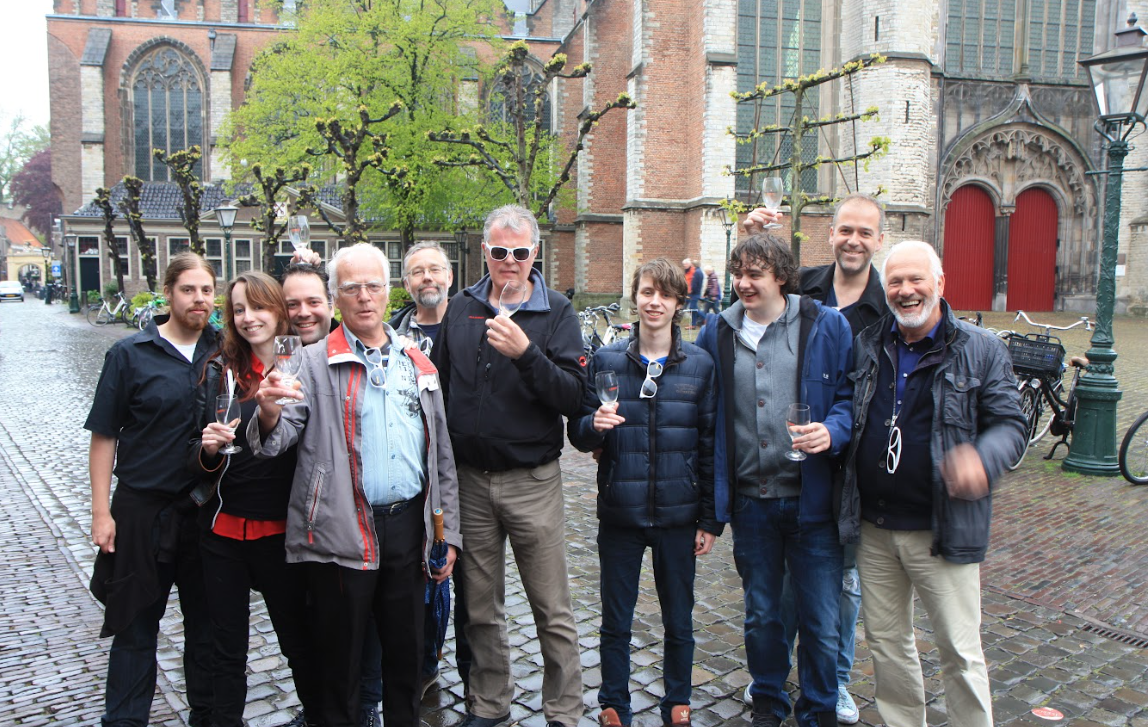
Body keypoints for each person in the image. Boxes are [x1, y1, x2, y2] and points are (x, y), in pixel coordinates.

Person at [249, 242, 461, 727]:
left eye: (373, 286)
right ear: (336, 297)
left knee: (406, 660)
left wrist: (448, 535)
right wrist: (266, 409)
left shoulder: (417, 361)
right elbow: (275, 441)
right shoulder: (310, 361)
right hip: (341, 530)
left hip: (409, 528)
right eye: (351, 288)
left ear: (387, 292)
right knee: (340, 666)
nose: (364, 297)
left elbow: (441, 457)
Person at [841, 241, 1025, 727]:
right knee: (887, 645)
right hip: (875, 528)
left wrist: (983, 461)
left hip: (941, 529)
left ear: (940, 284)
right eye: (895, 282)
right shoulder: (867, 343)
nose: (905, 291)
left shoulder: (981, 349)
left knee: (960, 653)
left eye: (916, 280)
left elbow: (1010, 425)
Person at [431, 204, 586, 727]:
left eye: (520, 253)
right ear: (485, 251)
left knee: (552, 608)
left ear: (535, 253)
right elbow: (443, 387)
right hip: (471, 481)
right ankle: (490, 705)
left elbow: (573, 397)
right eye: (500, 252)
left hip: (532, 481)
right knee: (479, 608)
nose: (510, 262)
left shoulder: (557, 312)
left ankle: (563, 711)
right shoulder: (461, 307)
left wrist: (527, 354)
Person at [696, 234, 854, 727]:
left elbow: (852, 398)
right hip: (751, 504)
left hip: (813, 504)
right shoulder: (716, 332)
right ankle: (767, 700)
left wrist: (831, 431)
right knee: (762, 615)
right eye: (738, 273)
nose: (743, 283)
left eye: (755, 273)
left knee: (821, 622)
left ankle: (820, 709)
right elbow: (700, 411)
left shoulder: (826, 326)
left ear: (780, 276)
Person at [746, 194, 887, 723]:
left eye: (865, 233)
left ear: (879, 239)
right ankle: (774, 671)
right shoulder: (805, 284)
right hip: (797, 460)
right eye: (845, 230)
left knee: (842, 585)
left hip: (856, 459)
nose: (853, 240)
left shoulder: (888, 301)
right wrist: (748, 236)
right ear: (830, 233)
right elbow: (754, 294)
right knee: (784, 582)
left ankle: (838, 679)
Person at [569, 258, 719, 727]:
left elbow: (712, 444)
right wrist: (592, 427)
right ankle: (614, 701)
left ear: (678, 303)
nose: (655, 302)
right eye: (647, 292)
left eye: (666, 295)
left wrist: (711, 519)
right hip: (622, 512)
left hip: (679, 513)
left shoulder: (699, 365)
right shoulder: (608, 360)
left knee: (679, 617)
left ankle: (677, 698)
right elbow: (579, 432)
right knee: (616, 617)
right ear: (635, 297)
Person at [85, 252, 218, 727]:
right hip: (142, 511)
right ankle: (124, 720)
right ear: (168, 293)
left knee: (206, 629)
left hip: (204, 514)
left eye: (206, 290)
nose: (199, 299)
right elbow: (105, 436)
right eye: (188, 290)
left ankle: (206, 716)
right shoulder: (130, 354)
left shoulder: (224, 351)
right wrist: (102, 513)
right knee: (135, 627)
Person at [188, 271, 322, 727]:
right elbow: (195, 452)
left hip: (282, 531)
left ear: (280, 311)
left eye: (259, 307)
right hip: (224, 531)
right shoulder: (219, 369)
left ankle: (321, 715)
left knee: (298, 640)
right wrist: (206, 450)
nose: (249, 319)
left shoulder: (307, 366)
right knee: (226, 648)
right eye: (239, 309)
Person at [681, 258, 704, 325]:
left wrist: (691, 290)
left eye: (685, 264)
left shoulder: (695, 272)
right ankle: (694, 324)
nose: (684, 265)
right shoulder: (692, 271)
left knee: (693, 308)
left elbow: (695, 283)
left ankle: (705, 318)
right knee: (692, 308)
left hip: (693, 293)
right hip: (689, 292)